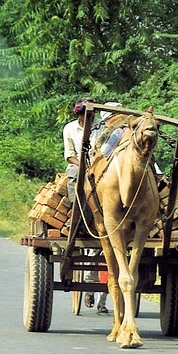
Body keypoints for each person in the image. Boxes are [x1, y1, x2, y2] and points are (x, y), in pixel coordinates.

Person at [62, 98, 107, 313]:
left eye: (91, 116)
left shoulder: (103, 127)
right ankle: (79, 217)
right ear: (79, 115)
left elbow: (106, 150)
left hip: (100, 165)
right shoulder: (70, 128)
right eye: (85, 116)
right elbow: (69, 155)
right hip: (78, 166)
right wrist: (84, 166)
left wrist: (96, 166)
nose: (88, 119)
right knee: (74, 181)